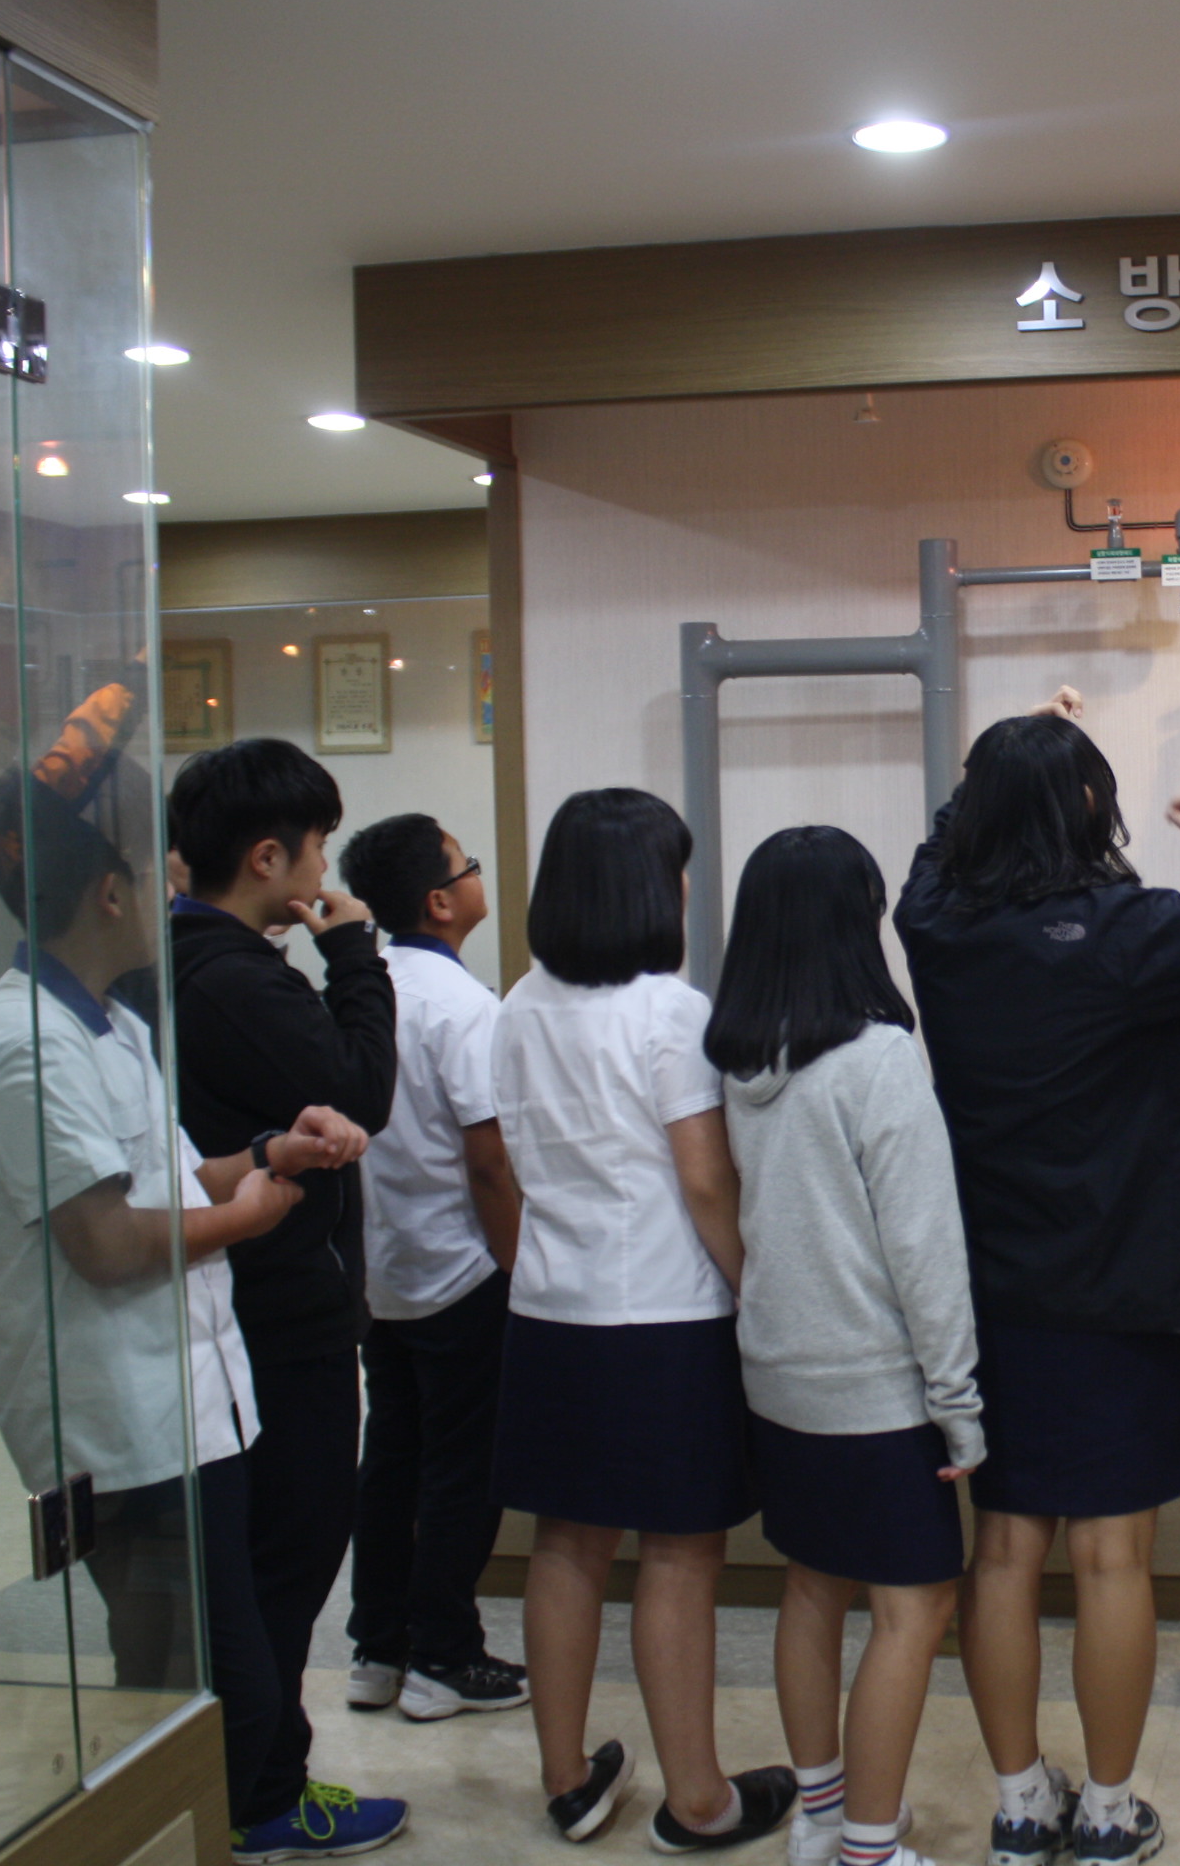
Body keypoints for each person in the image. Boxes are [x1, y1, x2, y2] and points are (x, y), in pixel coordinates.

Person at [896, 692, 1180, 1866]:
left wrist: (999, 766)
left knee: (1003, 1547)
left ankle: (1017, 1802)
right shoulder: (1131, 931)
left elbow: (931, 859)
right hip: (1123, 1285)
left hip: (990, 1287)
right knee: (1109, 1555)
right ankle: (1104, 1809)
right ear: (1092, 806)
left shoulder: (939, 927)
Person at [0, 767, 373, 1857]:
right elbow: (102, 1241)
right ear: (109, 890)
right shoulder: (23, 1042)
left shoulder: (110, 1021)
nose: (175, 881)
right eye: (158, 867)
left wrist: (272, 1153)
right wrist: (250, 1214)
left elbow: (178, 1177)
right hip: (121, 1422)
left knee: (213, 1675)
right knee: (194, 1683)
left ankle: (224, 1825)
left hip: (193, 1406)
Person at [492, 788, 797, 1851]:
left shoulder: (518, 1004)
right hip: (662, 1314)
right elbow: (706, 1181)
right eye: (677, 869)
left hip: (549, 1310)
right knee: (679, 1553)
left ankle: (568, 1778)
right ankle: (699, 1800)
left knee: (565, 1545)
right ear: (647, 887)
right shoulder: (668, 1011)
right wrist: (756, 1288)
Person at [710, 826, 981, 1866]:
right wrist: (958, 1400)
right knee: (913, 1607)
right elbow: (923, 1247)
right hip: (874, 1384)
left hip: (777, 1373)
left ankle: (821, 1816)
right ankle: (870, 1845)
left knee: (813, 1583)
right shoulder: (876, 1059)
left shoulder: (740, 1059)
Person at [165, 739, 408, 1860]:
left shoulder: (195, 962)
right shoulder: (228, 976)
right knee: (291, 1551)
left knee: (271, 1553)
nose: (323, 871)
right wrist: (354, 948)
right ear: (268, 857)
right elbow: (359, 1090)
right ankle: (262, 1792)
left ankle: (256, 1777)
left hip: (250, 1304)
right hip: (277, 1311)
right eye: (315, 849)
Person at [334, 813, 529, 1723]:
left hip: (383, 1275)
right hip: (461, 1272)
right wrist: (516, 1267)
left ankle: (378, 1648)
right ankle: (445, 1656)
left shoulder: (363, 989)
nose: (479, 875)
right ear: (441, 902)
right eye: (468, 865)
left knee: (392, 1458)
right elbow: (489, 1161)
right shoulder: (464, 1008)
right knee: (462, 1468)